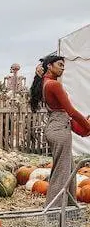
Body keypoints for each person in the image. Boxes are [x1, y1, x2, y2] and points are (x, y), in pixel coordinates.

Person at [31, 53, 90, 206]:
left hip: (56, 126)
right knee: (61, 173)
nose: (62, 68)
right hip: (60, 129)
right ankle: (53, 211)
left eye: (63, 65)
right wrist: (87, 126)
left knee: (68, 169)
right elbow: (71, 111)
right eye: (59, 65)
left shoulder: (45, 82)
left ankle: (69, 207)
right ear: (49, 66)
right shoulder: (54, 85)